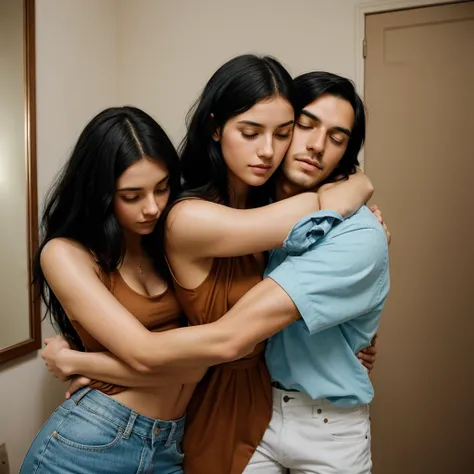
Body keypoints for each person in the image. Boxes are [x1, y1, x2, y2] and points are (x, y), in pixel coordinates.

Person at [39, 56, 376, 474]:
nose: (268, 150)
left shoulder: (261, 208)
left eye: (283, 133)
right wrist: (355, 190)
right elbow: (192, 350)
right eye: (250, 132)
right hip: (104, 432)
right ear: (216, 128)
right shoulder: (189, 218)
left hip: (185, 431)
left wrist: (84, 361)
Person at [20, 106, 195, 474]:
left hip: (170, 444)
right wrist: (200, 361)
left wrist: (79, 362)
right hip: (91, 444)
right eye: (131, 196)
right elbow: (177, 363)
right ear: (99, 193)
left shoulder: (171, 241)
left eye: (162, 188)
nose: (152, 208)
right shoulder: (67, 253)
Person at [243, 71, 390, 473]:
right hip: (250, 411)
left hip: (331, 427)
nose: (317, 145)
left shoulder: (358, 229)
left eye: (337, 138)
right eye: (306, 125)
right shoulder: (239, 208)